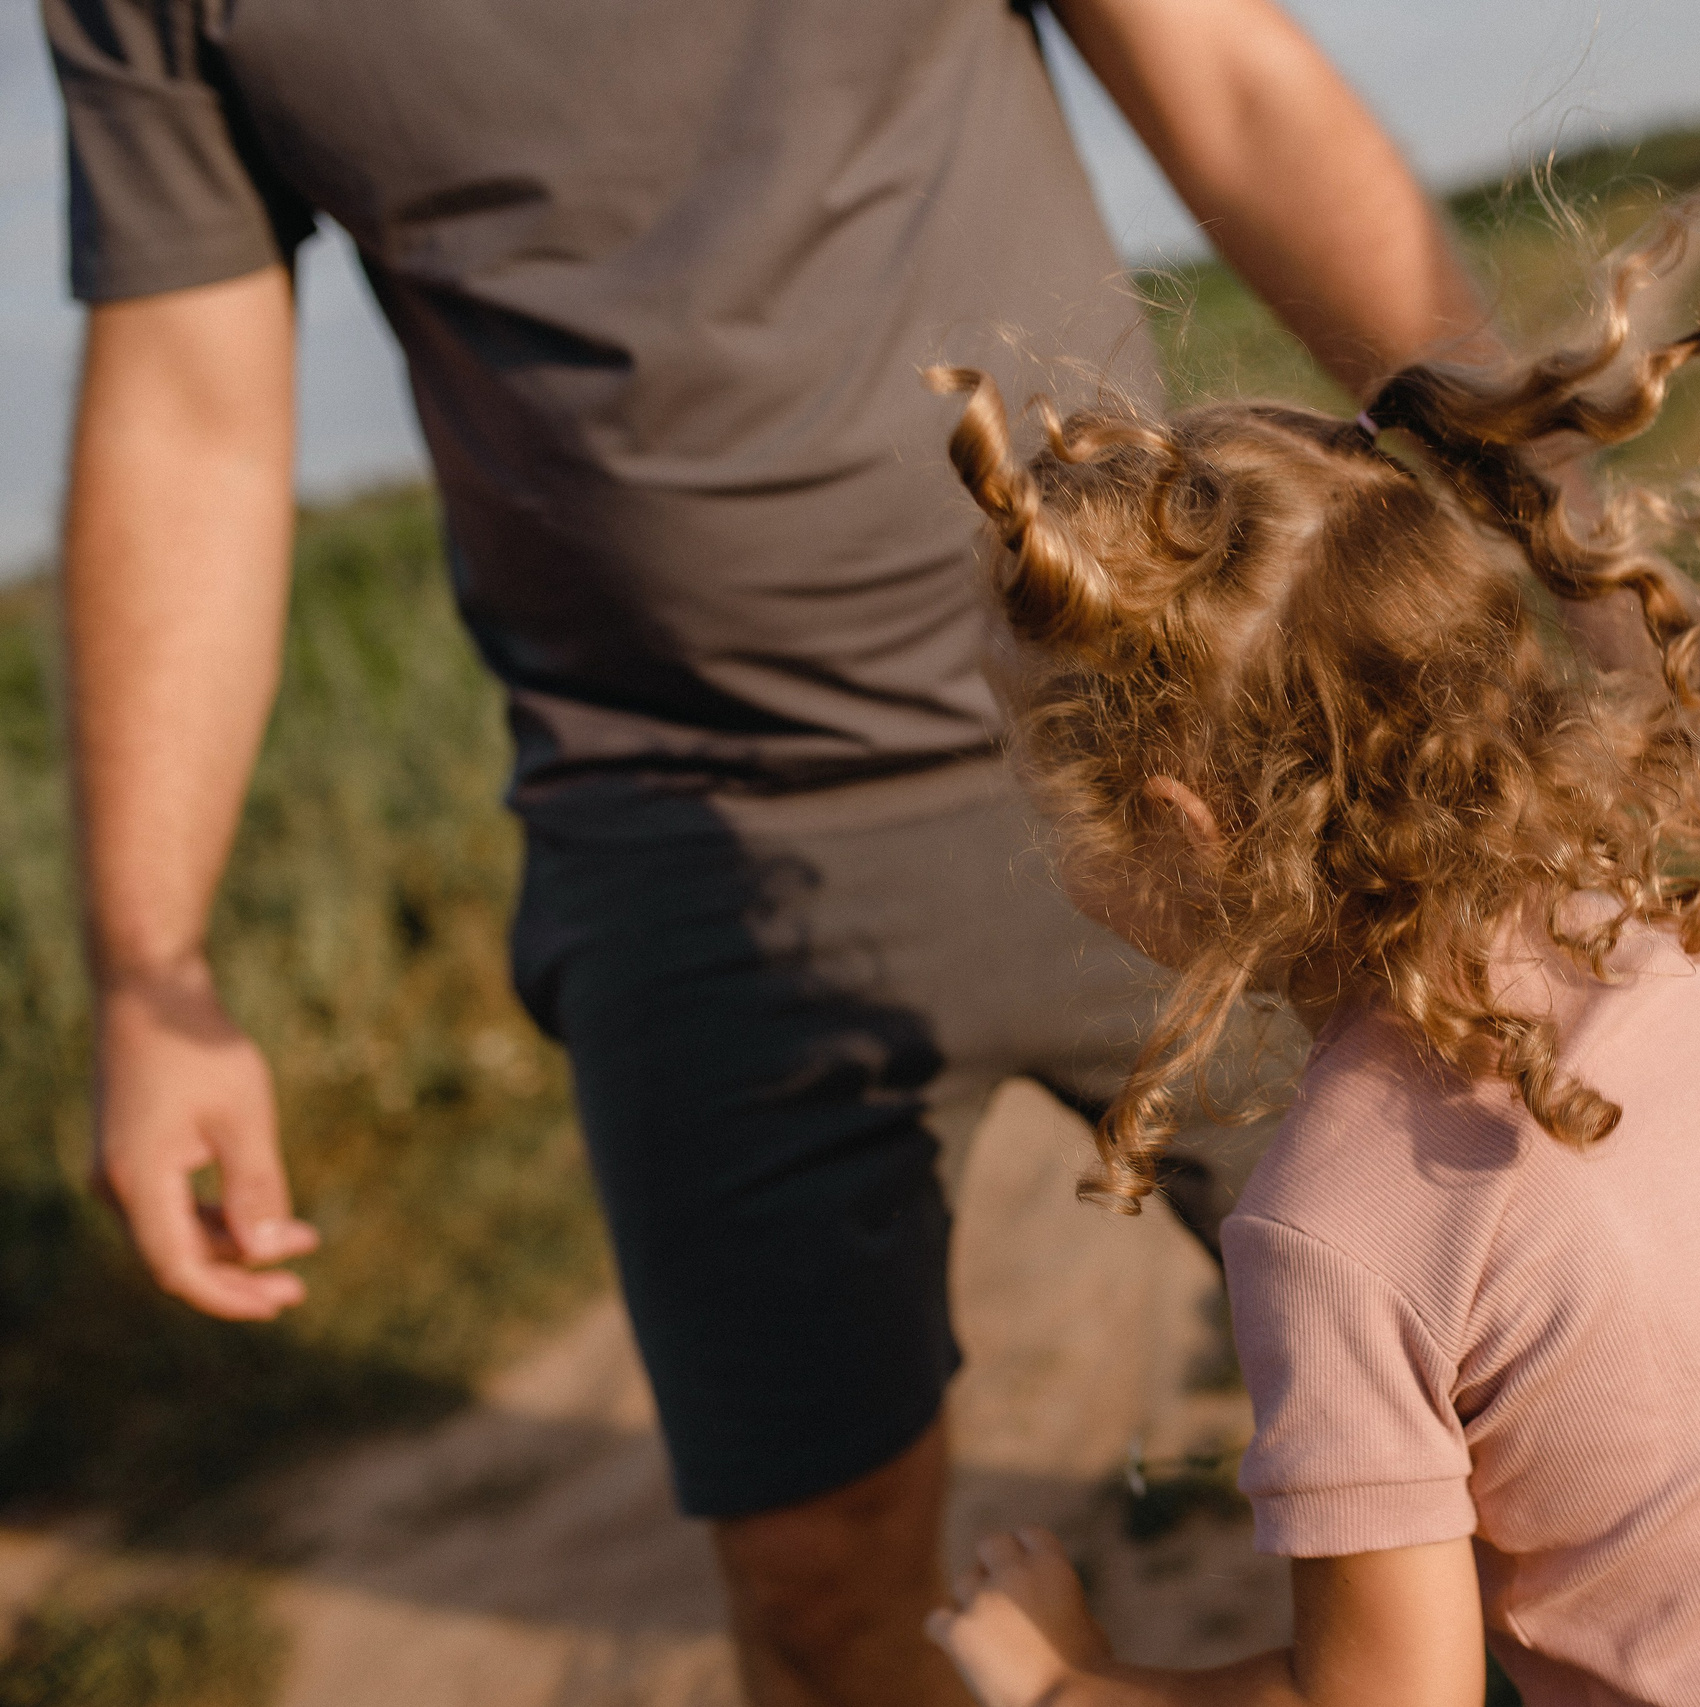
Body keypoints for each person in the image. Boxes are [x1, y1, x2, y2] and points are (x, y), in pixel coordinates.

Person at [45, 2, 1508, 1702]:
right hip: (681, 830)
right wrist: (147, 965)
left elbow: (1233, 89)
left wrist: (1543, 511)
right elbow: (192, 409)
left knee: (1526, 1431)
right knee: (818, 1583)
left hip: (1166, 749)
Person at [918, 199, 1700, 1705]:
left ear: (1184, 825)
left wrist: (1066, 1681)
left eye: (1032, 768)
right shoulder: (1646, 947)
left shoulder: (1336, 1232)